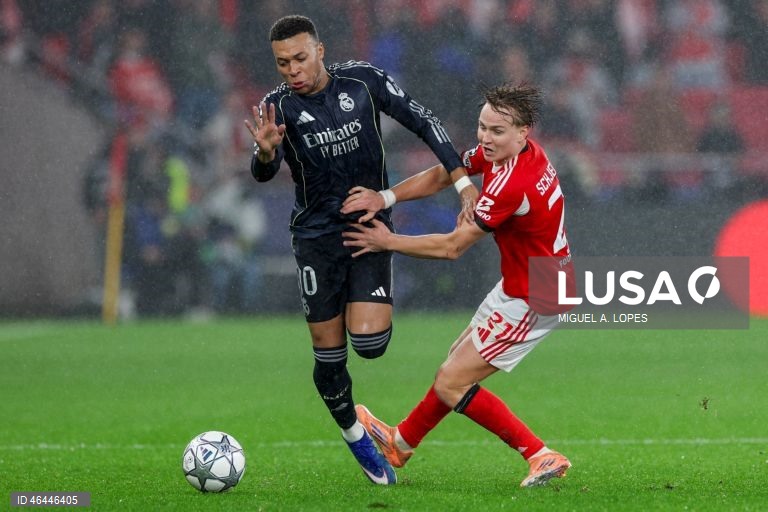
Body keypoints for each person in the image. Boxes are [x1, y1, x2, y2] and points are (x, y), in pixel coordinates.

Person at [244, 15, 477, 485]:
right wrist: (266, 154)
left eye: (300, 58)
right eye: (282, 63)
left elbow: (423, 121)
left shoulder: (364, 81)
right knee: (328, 360)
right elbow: (263, 172)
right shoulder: (277, 108)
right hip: (314, 238)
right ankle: (358, 438)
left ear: (321, 50)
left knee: (370, 345)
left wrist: (462, 181)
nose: (292, 70)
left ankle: (364, 414)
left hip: (367, 227)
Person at [342, 83, 576, 487]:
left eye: (496, 131)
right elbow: (442, 175)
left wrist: (388, 241)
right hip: (526, 282)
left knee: (453, 379)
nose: (485, 137)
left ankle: (541, 454)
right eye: (482, 126)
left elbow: (452, 248)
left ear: (524, 132)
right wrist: (385, 198)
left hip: (537, 296)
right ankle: (401, 441)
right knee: (454, 364)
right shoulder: (518, 156)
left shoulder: (511, 183)